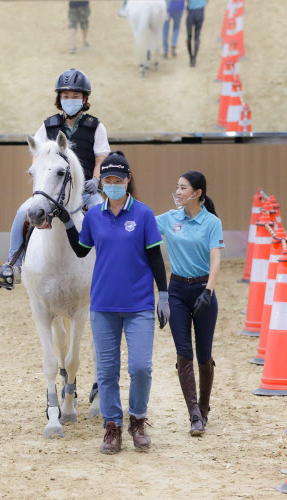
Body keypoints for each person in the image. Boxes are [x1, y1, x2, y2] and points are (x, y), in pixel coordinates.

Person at [56, 151, 170, 454]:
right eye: (107, 179)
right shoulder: (94, 216)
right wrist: (68, 222)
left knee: (141, 367)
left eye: (118, 179)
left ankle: (137, 420)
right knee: (106, 372)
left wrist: (165, 294)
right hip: (103, 306)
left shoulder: (143, 214)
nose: (113, 183)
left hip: (140, 305)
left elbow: (155, 257)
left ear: (128, 180)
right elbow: (82, 251)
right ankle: (112, 426)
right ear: (102, 184)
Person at [0, 68, 110, 290]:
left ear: (84, 99)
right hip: (53, 191)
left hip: (85, 190)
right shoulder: (48, 125)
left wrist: (96, 180)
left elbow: (101, 159)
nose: (70, 100)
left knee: (101, 215)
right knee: (22, 213)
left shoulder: (96, 126)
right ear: (59, 99)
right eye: (65, 96)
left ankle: (108, 267)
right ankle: (13, 265)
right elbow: (38, 157)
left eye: (75, 96)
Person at [156, 171, 224, 436]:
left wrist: (208, 291)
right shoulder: (169, 218)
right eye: (177, 186)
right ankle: (194, 414)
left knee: (204, 355)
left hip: (203, 289)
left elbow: (216, 259)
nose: (178, 191)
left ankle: (204, 409)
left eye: (183, 188)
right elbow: (140, 223)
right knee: (183, 353)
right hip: (177, 290)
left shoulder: (211, 222)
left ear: (197, 193)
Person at [186, 0, 208, 66]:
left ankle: (191, 57)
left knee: (189, 37)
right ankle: (194, 57)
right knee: (197, 36)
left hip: (191, 12)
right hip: (200, 11)